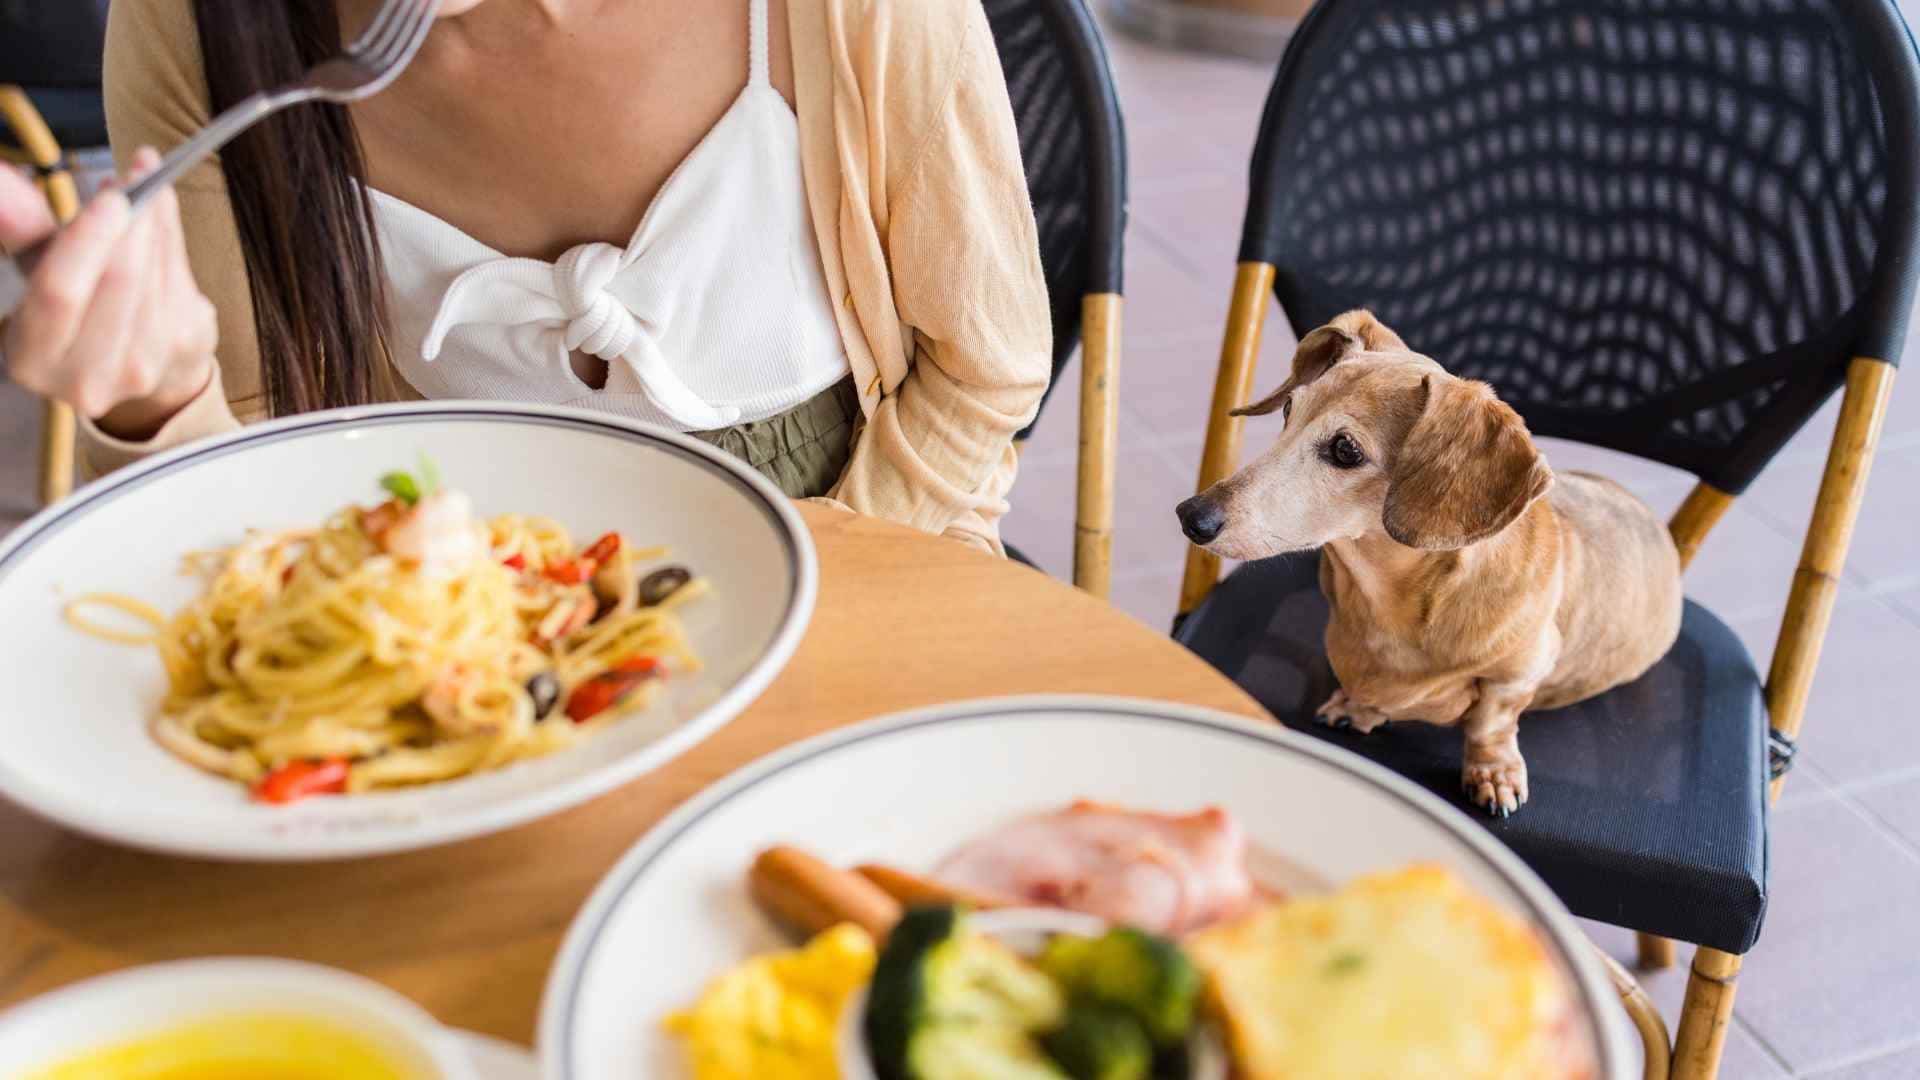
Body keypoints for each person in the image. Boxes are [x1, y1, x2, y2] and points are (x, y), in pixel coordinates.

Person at [0, 0, 1051, 554]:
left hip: (865, 553)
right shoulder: (198, 25)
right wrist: (155, 403)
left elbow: (984, 369)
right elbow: (246, 517)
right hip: (446, 608)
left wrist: (815, 603)